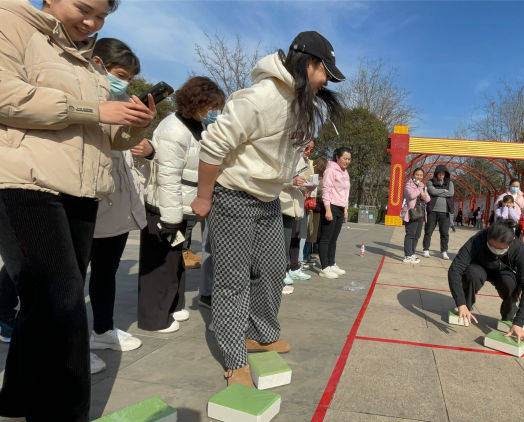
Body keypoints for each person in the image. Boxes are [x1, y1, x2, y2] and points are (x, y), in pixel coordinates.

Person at [0, 0, 156, 418]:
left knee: (42, 304)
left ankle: (16, 399)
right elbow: (6, 96)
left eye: (102, 17)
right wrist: (94, 109)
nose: (92, 22)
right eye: (84, 9)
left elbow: (108, 135)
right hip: (24, 180)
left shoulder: (89, 62)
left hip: (81, 190)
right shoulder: (11, 21)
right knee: (64, 305)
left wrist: (133, 122)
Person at [191, 31, 344, 387]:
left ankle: (260, 332)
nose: (326, 83)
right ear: (309, 64)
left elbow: (277, 154)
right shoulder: (260, 98)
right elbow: (213, 145)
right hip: (233, 196)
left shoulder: (298, 102)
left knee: (275, 269)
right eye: (325, 73)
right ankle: (234, 357)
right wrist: (203, 196)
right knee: (233, 281)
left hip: (267, 200)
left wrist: (293, 176)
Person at [139, 76, 226, 333]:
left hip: (183, 209)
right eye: (211, 106)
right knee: (160, 266)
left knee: (176, 260)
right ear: (196, 102)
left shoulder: (197, 128)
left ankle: (174, 306)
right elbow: (167, 177)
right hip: (165, 209)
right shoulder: (173, 129)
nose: (214, 112)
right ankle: (155, 319)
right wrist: (171, 218)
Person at [88, 38, 151, 357]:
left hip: (115, 205)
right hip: (84, 199)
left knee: (104, 272)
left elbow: (122, 153)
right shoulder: (82, 97)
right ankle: (8, 316)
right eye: (120, 73)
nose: (124, 82)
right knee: (60, 276)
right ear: (97, 64)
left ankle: (102, 329)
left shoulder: (124, 103)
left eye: (129, 77)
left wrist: (140, 133)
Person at [448, 219, 524, 344]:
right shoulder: (478, 239)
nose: (495, 250)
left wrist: (519, 321)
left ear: (510, 243)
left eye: (500, 249)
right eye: (492, 246)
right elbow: (455, 269)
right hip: (480, 266)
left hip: (504, 271)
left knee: (511, 284)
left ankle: (509, 314)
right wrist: (460, 303)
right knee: (472, 274)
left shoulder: (519, 249)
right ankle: (466, 306)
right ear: (488, 236)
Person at [280, 142, 317, 292]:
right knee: (280, 243)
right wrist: (292, 181)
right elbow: (272, 178)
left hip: (294, 207)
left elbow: (300, 183)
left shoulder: (302, 161)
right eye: (306, 147)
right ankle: (279, 276)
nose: (308, 151)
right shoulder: (283, 154)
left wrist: (308, 186)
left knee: (289, 240)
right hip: (281, 204)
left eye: (311, 149)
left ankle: (285, 271)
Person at [318, 147, 352, 278]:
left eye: (349, 159)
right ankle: (324, 268)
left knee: (334, 239)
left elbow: (345, 192)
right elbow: (326, 189)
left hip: (340, 207)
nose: (347, 161)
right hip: (330, 206)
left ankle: (331, 263)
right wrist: (327, 209)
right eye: (344, 158)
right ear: (337, 157)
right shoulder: (330, 170)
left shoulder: (345, 172)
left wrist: (345, 208)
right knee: (326, 238)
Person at [423, 165, 455, 259]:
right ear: (436, 174)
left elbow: (451, 193)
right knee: (428, 231)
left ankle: (444, 251)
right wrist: (443, 191)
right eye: (439, 174)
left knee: (444, 233)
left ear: (445, 174)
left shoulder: (450, 183)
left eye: (443, 174)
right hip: (432, 211)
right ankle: (426, 249)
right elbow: (432, 192)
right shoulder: (430, 182)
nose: (441, 175)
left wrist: (437, 191)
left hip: (445, 212)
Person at [400, 167, 430, 263]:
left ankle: (412, 253)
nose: (419, 176)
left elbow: (428, 199)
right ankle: (407, 255)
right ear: (413, 175)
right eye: (417, 174)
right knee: (410, 234)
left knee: (417, 235)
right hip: (411, 213)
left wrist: (424, 194)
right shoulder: (409, 184)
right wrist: (420, 188)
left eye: (421, 175)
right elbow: (411, 195)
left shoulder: (422, 186)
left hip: (420, 212)